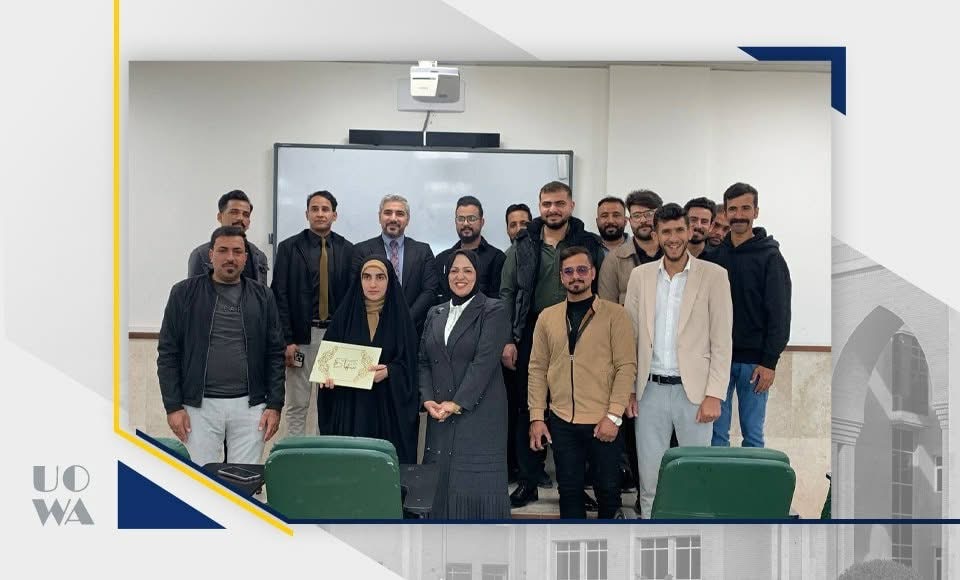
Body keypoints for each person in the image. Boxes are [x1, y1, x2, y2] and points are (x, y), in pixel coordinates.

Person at [500, 180, 606, 508]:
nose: (553, 209)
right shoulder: (522, 245)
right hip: (533, 330)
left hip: (580, 328)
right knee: (528, 405)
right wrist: (509, 339)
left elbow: (601, 288)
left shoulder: (589, 244)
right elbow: (507, 294)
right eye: (547, 204)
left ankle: (573, 485)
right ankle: (529, 481)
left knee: (574, 405)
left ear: (571, 206)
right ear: (540, 207)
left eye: (559, 203)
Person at [623, 203, 732, 517]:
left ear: (690, 231)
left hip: (694, 394)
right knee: (650, 480)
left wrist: (714, 395)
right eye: (666, 231)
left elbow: (722, 340)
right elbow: (630, 338)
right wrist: (628, 389)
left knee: (696, 477)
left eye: (679, 230)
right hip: (649, 392)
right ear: (656, 235)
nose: (673, 238)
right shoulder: (640, 276)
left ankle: (694, 539)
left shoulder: (714, 276)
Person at [158, 226, 284, 465]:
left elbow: (275, 353)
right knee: (200, 478)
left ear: (245, 257)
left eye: (237, 251)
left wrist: (275, 405)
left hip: (251, 406)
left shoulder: (263, 296)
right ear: (211, 255)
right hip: (199, 406)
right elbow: (168, 353)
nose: (230, 257)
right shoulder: (183, 294)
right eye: (223, 250)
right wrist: (173, 406)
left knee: (242, 478)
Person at [527, 246, 637, 519]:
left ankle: (612, 546)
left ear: (593, 273)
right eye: (568, 271)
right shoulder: (547, 317)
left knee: (608, 492)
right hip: (563, 421)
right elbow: (537, 369)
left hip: (603, 420)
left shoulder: (615, 315)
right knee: (569, 492)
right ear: (561, 277)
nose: (575, 276)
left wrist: (614, 416)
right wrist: (537, 417)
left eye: (581, 270)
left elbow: (626, 367)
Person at [419, 250, 512, 519]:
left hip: (478, 413)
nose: (460, 276)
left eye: (468, 270)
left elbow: (484, 363)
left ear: (478, 274)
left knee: (475, 489)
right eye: (454, 270)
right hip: (440, 414)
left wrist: (457, 403)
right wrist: (427, 399)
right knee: (440, 490)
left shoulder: (494, 310)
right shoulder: (435, 312)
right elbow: (423, 361)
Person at [702, 182, 792, 448]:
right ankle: (719, 478)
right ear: (725, 213)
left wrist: (770, 362)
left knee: (752, 436)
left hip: (755, 364)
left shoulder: (771, 257)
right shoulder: (713, 257)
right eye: (733, 209)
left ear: (756, 211)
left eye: (745, 208)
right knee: (716, 437)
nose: (739, 215)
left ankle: (753, 479)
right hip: (718, 361)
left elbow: (780, 313)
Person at [316, 258, 420, 463]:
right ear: (359, 280)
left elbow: (411, 366)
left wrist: (390, 371)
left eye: (380, 277)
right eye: (367, 277)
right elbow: (327, 363)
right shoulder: (343, 318)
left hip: (388, 411)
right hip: (350, 409)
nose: (373, 284)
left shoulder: (402, 320)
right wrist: (326, 378)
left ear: (390, 281)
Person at [271, 190, 354, 436]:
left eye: (325, 209)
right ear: (306, 214)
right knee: (297, 404)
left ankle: (323, 453)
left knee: (329, 405)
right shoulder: (289, 248)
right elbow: (279, 295)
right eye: (314, 209)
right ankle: (295, 453)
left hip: (335, 337)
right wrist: (287, 340)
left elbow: (351, 299)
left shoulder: (348, 250)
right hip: (301, 337)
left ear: (334, 215)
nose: (320, 214)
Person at [352, 194, 439, 333]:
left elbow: (429, 291)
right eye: (388, 213)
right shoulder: (361, 251)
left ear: (407, 219)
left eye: (400, 214)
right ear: (379, 217)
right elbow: (356, 291)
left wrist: (406, 320)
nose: (393, 218)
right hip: (372, 330)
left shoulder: (423, 251)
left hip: (412, 330)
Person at [187, 189, 269, 284]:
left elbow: (262, 291)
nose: (240, 218)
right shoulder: (201, 255)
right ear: (219, 217)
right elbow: (194, 291)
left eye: (246, 215)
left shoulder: (259, 256)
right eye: (234, 212)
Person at [597, 189, 664, 304]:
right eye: (637, 215)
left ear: (660, 216)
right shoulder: (614, 259)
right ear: (629, 220)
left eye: (649, 214)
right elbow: (607, 307)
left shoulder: (674, 253)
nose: (643, 220)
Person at [435, 196, 506, 303]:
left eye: (471, 219)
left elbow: (497, 302)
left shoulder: (497, 258)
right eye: (461, 219)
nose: (466, 223)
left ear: (482, 222)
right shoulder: (442, 259)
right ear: (455, 222)